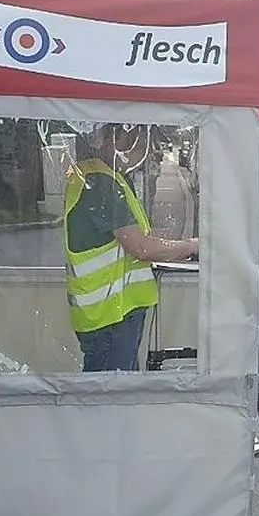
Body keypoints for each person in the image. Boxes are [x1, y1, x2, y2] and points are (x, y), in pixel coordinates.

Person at [63, 123, 198, 372]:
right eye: (140, 136)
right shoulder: (100, 182)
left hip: (111, 314)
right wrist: (190, 246)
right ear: (117, 138)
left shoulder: (97, 174)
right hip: (110, 317)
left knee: (114, 393)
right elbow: (140, 247)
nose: (147, 147)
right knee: (110, 398)